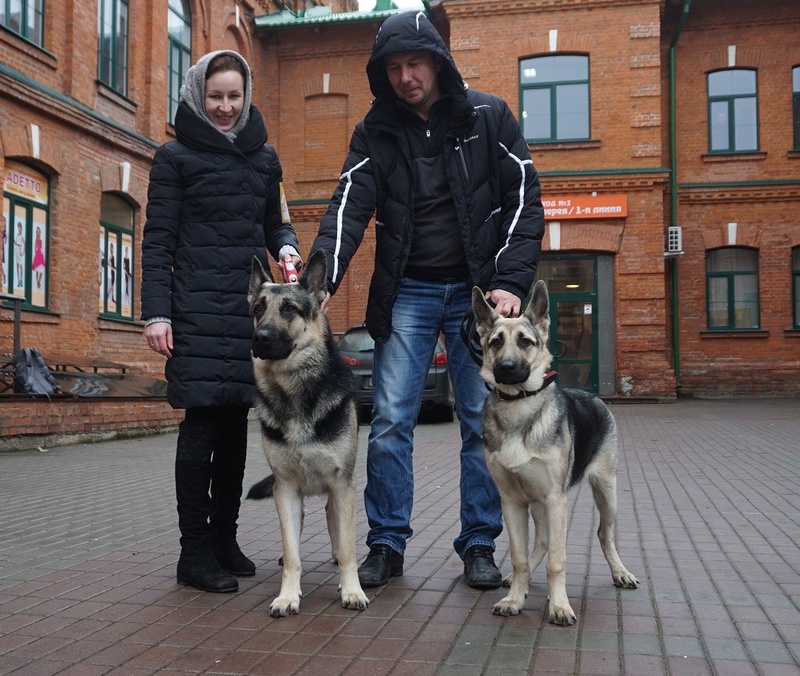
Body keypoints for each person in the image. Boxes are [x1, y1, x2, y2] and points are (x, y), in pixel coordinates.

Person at [311, 11, 545, 589]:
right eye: (392, 67)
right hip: (408, 290)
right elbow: (349, 206)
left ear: (437, 62)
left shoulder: (488, 116)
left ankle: (479, 545)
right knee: (390, 420)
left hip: (479, 299)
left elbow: (524, 201)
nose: (405, 76)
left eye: (414, 63)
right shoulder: (375, 131)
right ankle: (386, 543)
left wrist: (510, 284)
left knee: (479, 421)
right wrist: (317, 287)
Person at [141, 50, 302, 593]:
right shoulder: (174, 158)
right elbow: (157, 240)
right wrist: (157, 313)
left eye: (234, 95)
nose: (226, 106)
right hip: (193, 311)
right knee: (202, 424)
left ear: (247, 94)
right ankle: (194, 552)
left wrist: (288, 250)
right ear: (195, 96)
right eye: (215, 96)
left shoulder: (264, 158)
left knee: (236, 425)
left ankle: (225, 538)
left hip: (247, 316)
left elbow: (276, 222)